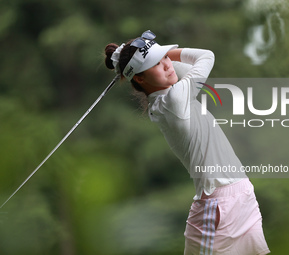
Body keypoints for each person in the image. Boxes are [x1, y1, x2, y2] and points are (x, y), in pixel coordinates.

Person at [104, 30, 270, 255]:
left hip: (239, 196)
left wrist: (147, 56)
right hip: (219, 206)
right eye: (157, 63)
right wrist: (162, 53)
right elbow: (206, 56)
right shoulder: (174, 100)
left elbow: (178, 71)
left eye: (164, 57)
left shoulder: (169, 96)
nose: (167, 64)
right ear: (140, 79)